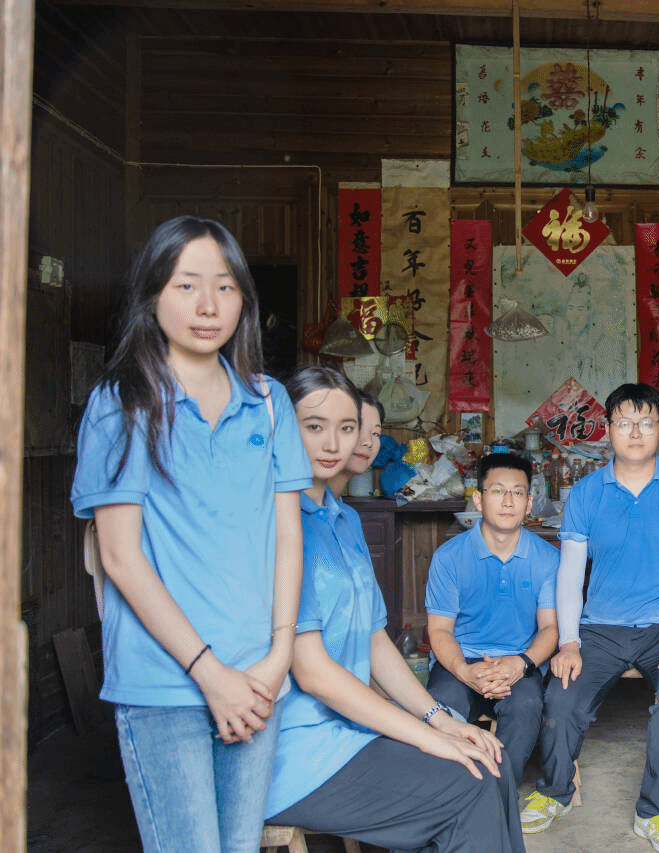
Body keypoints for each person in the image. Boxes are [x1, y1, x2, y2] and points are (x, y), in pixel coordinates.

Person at [70, 215, 312, 853]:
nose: (208, 306)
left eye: (225, 287)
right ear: (151, 295)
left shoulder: (269, 403)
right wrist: (210, 675)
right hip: (165, 683)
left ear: (244, 301)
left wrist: (278, 657)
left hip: (257, 678)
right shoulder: (123, 402)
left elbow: (289, 537)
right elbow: (120, 557)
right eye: (186, 285)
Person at [264, 366, 525, 853]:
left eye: (348, 428)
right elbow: (314, 674)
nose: (334, 443)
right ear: (282, 429)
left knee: (493, 760)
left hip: (351, 730)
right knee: (467, 783)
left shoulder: (344, 520)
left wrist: (439, 719)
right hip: (298, 754)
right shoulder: (278, 523)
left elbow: (374, 641)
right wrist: (428, 737)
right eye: (313, 426)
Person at [519, 383, 659, 853]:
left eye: (646, 422)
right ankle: (555, 791)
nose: (635, 432)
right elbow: (570, 575)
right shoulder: (587, 492)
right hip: (600, 627)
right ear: (608, 430)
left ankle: (655, 810)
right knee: (561, 696)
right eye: (624, 423)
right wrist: (569, 641)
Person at [425, 452, 560, 782]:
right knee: (442, 706)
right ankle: (452, 794)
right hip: (460, 661)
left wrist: (520, 664)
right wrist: (464, 670)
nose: (508, 501)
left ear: (529, 503)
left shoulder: (548, 559)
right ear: (478, 499)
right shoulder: (449, 557)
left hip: (518, 662)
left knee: (526, 707)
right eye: (498, 491)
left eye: (517, 492)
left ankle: (499, 794)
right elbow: (440, 631)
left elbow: (550, 628)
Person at [327, 388, 383, 497]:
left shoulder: (340, 508)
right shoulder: (296, 503)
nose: (369, 442)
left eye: (376, 433)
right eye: (355, 427)